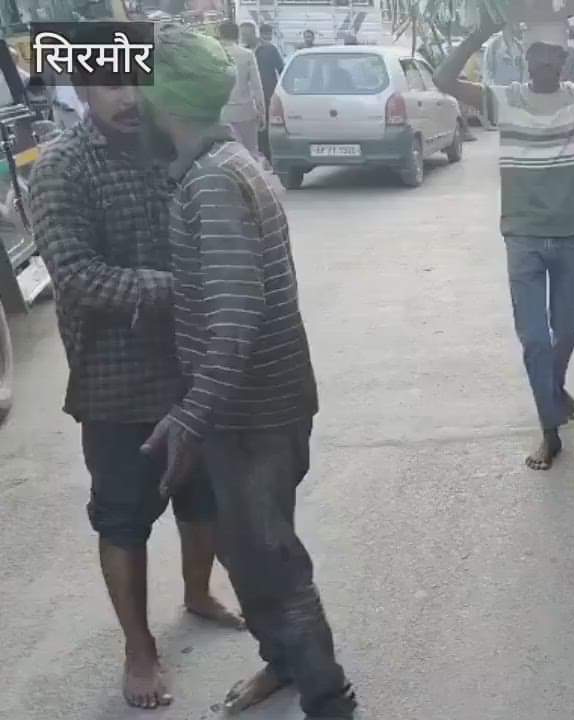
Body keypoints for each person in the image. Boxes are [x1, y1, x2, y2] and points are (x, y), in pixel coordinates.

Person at [139, 26, 357, 719]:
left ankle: (329, 697)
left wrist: (190, 415)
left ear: (160, 99)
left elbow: (236, 318)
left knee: (270, 560)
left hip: (253, 415)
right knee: (247, 550)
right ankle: (281, 663)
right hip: (256, 408)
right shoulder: (231, 159)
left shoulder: (211, 181)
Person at [28, 63, 243, 713]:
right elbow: (76, 276)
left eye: (134, 83)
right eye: (109, 85)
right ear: (83, 92)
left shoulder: (169, 143)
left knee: (204, 498)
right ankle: (139, 646)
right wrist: (178, 291)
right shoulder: (63, 167)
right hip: (116, 379)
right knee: (124, 518)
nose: (126, 98)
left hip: (193, 366)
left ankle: (198, 593)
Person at [434, 10, 574, 470]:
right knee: (535, 339)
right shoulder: (504, 100)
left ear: (565, 60)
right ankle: (549, 430)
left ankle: (555, 390)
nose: (546, 61)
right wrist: (480, 30)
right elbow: (443, 78)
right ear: (525, 59)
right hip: (522, 237)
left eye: (554, 54)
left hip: (567, 236)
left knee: (565, 333)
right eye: (537, 53)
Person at [216, 20, 265, 157]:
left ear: (219, 34)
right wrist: (262, 113)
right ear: (237, 36)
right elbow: (257, 87)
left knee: (224, 154)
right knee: (250, 152)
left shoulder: (212, 54)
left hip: (221, 114)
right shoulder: (247, 54)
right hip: (245, 112)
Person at [246, 22, 286, 161]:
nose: (244, 36)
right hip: (247, 95)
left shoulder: (270, 49)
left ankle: (269, 157)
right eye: (242, 34)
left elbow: (281, 70)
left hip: (268, 92)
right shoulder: (243, 50)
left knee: (266, 125)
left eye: (247, 33)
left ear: (254, 33)